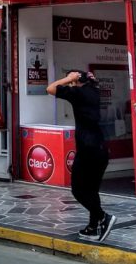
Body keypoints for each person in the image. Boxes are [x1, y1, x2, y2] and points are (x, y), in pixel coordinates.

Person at [47, 70, 116, 242]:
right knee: (92, 190)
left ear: (77, 80)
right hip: (101, 148)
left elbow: (50, 88)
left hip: (87, 149)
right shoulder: (94, 91)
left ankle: (102, 217)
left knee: (77, 189)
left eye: (72, 79)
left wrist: (69, 78)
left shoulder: (77, 93)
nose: (70, 83)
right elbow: (93, 84)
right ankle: (93, 228)